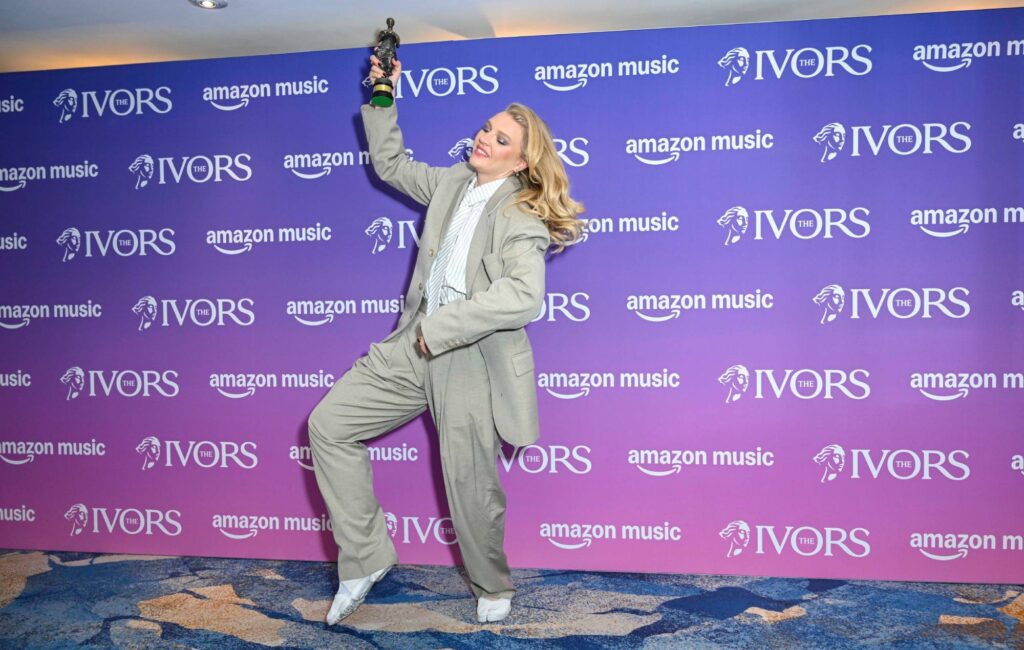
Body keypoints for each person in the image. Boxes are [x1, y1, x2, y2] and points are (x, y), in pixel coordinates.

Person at [307, 53, 584, 625]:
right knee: (329, 427)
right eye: (486, 127)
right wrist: (383, 95)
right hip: (411, 345)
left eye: (500, 137)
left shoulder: (521, 213)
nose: (483, 138)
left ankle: (490, 582)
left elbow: (523, 297)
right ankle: (364, 558)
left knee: (469, 483)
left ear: (523, 159)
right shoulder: (453, 182)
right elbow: (388, 163)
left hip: (468, 357)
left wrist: (443, 327)